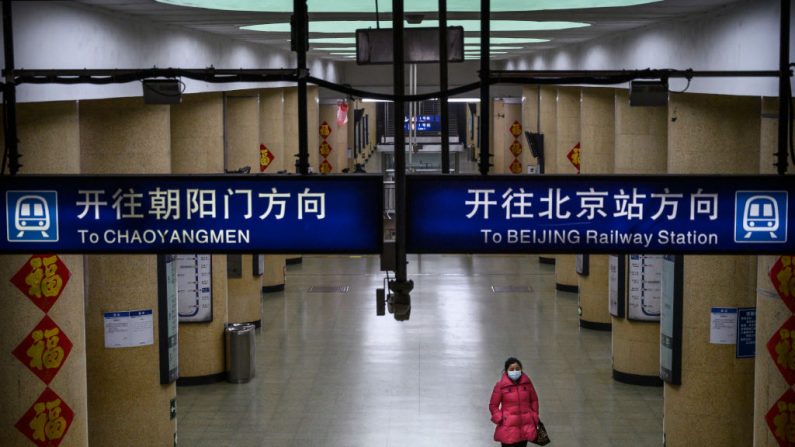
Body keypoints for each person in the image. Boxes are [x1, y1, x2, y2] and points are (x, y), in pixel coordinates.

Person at [489, 357, 540, 447]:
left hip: (525, 426)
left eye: (517, 369)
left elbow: (534, 400)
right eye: (511, 369)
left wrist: (534, 415)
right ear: (506, 371)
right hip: (508, 427)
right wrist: (500, 418)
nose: (515, 371)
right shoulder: (501, 386)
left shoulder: (527, 384)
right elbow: (493, 405)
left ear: (521, 369)